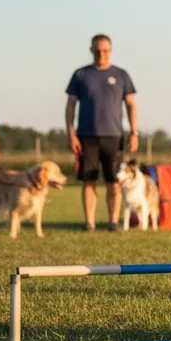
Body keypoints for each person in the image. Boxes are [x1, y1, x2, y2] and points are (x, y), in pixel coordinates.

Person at [65, 34, 139, 231]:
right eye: (97, 50)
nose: (101, 54)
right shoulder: (81, 75)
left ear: (111, 50)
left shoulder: (122, 75)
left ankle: (113, 222)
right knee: (88, 180)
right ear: (91, 50)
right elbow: (71, 105)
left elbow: (131, 104)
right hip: (87, 136)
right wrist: (71, 133)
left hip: (114, 136)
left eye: (105, 50)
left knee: (113, 181)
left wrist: (134, 133)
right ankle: (90, 222)